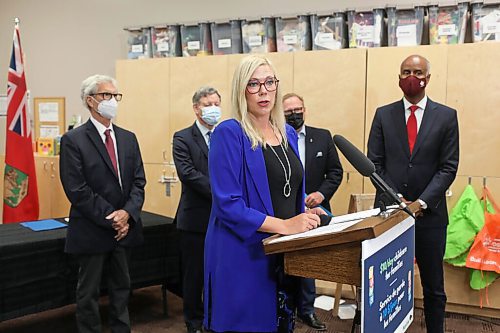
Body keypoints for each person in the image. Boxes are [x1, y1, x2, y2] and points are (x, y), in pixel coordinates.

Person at [203, 55, 325, 333]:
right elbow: (228, 205)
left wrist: (303, 213)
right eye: (254, 84)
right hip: (244, 252)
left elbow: (291, 188)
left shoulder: (287, 134)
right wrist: (284, 225)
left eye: (269, 82)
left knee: (281, 322)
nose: (263, 91)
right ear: (241, 90)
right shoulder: (229, 133)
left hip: (283, 249)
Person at [367, 55, 459, 333]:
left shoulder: (446, 116)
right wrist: (396, 198)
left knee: (433, 287)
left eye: (417, 72)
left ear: (427, 78)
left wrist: (420, 202)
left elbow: (448, 167)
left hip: (430, 217)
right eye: (406, 71)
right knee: (386, 284)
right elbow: (374, 164)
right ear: (398, 78)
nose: (411, 76)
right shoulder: (383, 114)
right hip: (390, 215)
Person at [60, 74, 146, 333]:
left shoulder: (128, 138)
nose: (112, 101)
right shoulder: (73, 140)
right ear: (90, 101)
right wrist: (113, 217)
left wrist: (127, 214)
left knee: (122, 288)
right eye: (106, 95)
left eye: (115, 96)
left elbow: (139, 183)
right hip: (92, 227)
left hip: (125, 229)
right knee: (88, 293)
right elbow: (77, 190)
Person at [282, 93, 343, 331]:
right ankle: (284, 308)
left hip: (315, 210)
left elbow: (335, 172)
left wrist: (321, 194)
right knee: (285, 261)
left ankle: (307, 310)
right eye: (288, 112)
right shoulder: (276, 138)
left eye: (298, 110)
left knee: (310, 262)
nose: (294, 115)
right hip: (285, 213)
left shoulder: (322, 137)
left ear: (305, 110)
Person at [173, 86, 222, 333]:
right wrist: (223, 191)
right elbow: (188, 174)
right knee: (194, 276)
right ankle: (193, 321)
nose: (213, 108)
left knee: (219, 274)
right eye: (208, 104)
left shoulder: (226, 135)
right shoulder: (182, 137)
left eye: (217, 103)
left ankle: (215, 318)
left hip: (225, 219)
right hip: (195, 219)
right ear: (196, 108)